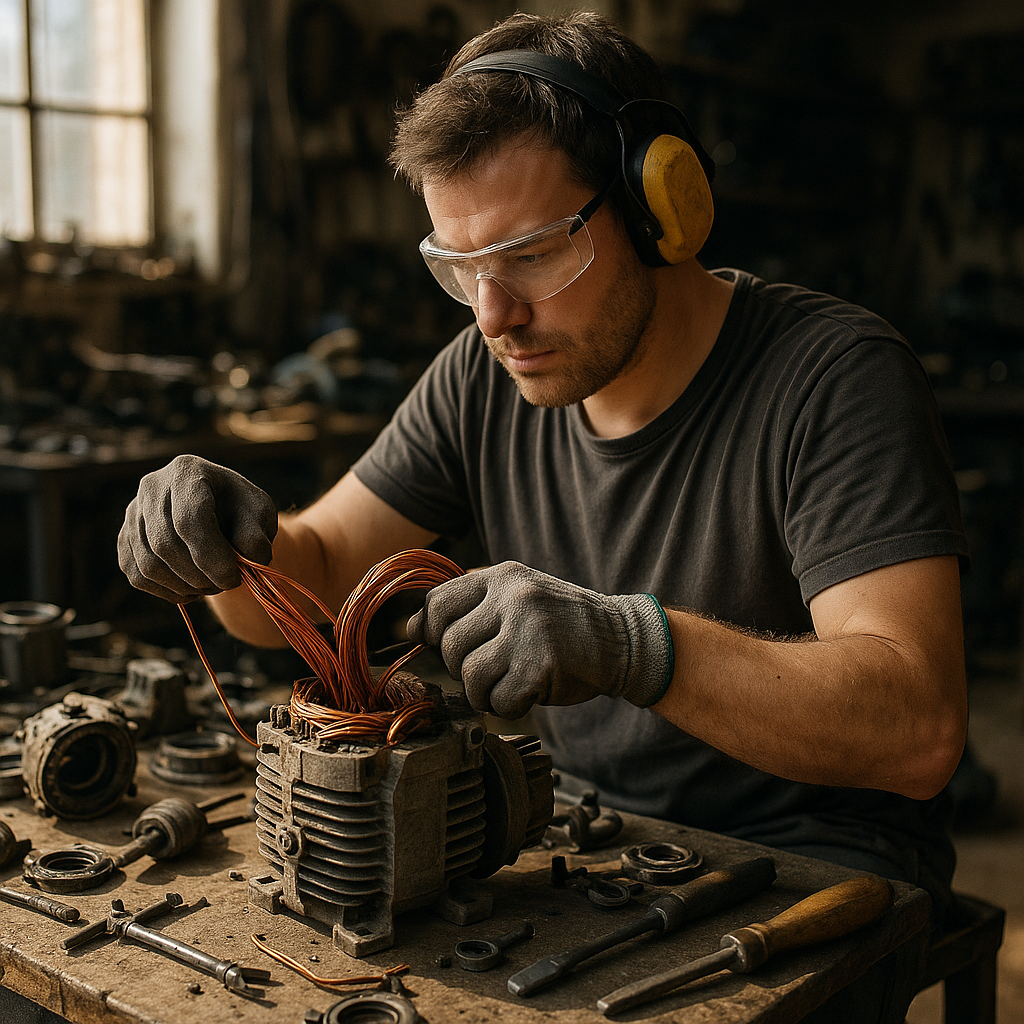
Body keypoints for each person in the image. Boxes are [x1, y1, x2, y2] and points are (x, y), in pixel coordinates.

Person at [119, 12, 968, 1016]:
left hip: (813, 876)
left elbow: (916, 730)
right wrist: (223, 546)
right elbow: (304, 582)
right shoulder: (482, 377)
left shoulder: (830, 377)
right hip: (587, 851)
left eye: (528, 254)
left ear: (662, 209)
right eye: (458, 266)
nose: (492, 314)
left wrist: (629, 643)